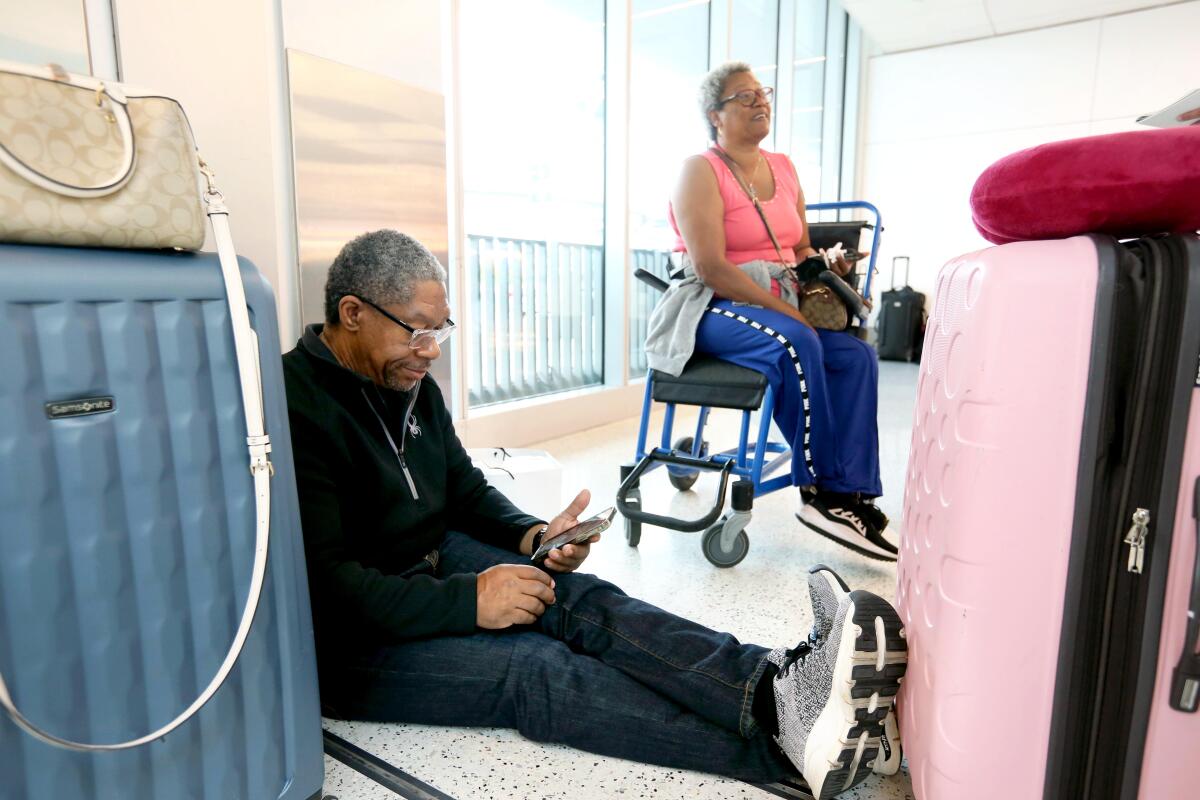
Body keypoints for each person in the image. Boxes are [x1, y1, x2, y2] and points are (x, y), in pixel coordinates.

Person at [282, 229, 908, 797]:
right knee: (538, 672)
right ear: (352, 314)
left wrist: (530, 534)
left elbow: (463, 488)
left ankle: (775, 687)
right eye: (418, 332)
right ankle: (795, 751)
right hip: (350, 643)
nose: (431, 353)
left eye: (440, 332)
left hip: (432, 558)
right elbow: (333, 590)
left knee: (579, 598)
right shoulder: (296, 407)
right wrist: (470, 601)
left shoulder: (406, 379)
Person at [645, 62, 896, 562]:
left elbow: (799, 247)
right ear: (715, 114)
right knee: (795, 341)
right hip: (711, 306)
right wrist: (791, 314)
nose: (761, 102)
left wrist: (827, 266)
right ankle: (820, 493)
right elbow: (711, 266)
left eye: (764, 93)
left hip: (778, 302)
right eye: (745, 96)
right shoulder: (700, 169)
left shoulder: (783, 167)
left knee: (854, 356)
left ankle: (852, 492)